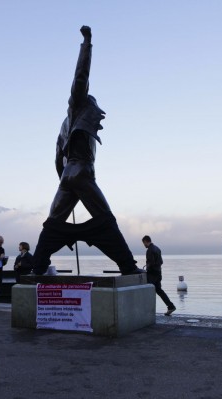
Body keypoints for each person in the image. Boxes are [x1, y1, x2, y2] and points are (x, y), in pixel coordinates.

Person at [32, 26, 142, 276]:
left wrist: (65, 178)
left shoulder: (65, 126)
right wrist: (87, 43)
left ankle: (36, 268)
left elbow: (56, 160)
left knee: (52, 225)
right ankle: (128, 266)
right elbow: (81, 75)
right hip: (81, 172)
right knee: (105, 219)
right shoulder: (78, 104)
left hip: (68, 177)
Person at [142, 235, 176, 316]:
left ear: (146, 241)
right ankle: (171, 306)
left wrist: (147, 268)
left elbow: (151, 263)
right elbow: (161, 262)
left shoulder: (150, 250)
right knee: (159, 291)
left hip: (152, 274)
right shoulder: (157, 248)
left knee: (148, 291)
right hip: (158, 272)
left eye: (144, 243)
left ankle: (147, 311)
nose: (144, 245)